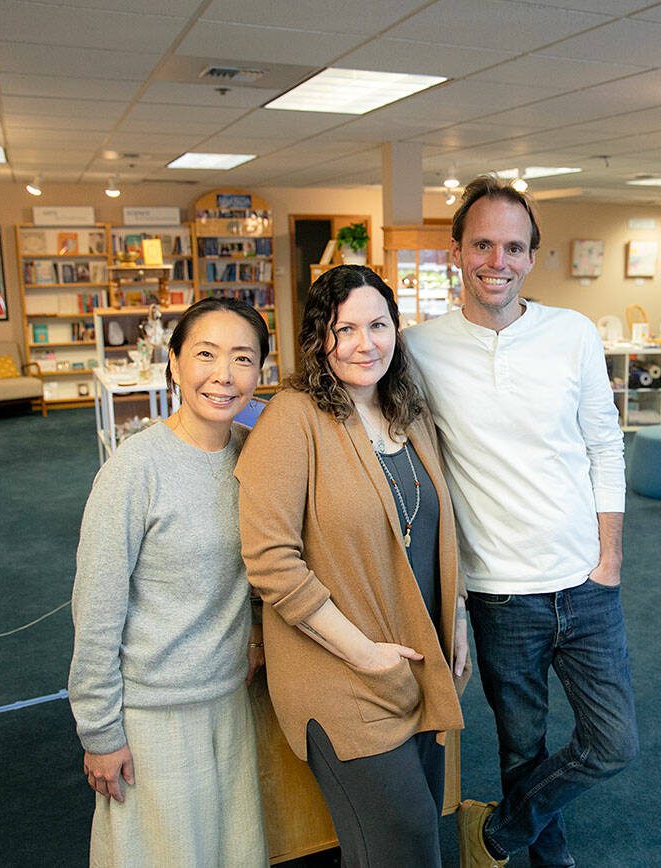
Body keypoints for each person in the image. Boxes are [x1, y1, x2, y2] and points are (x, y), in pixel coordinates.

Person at [406, 176, 639, 868]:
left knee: (614, 742)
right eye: (482, 244)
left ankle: (499, 836)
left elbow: (605, 445)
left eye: (513, 246)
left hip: (587, 585)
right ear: (457, 251)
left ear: (532, 256)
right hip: (501, 596)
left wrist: (610, 561)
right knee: (521, 749)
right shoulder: (420, 349)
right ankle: (547, 861)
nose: (496, 261)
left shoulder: (572, 333)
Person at [235, 264, 469, 868]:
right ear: (320, 338)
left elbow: (440, 527)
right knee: (407, 838)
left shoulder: (408, 410)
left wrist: (458, 614)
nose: (366, 343)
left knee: (402, 839)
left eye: (379, 324)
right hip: (340, 673)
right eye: (345, 329)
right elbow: (270, 563)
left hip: (418, 661)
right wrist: (365, 653)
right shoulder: (292, 417)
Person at [68, 297, 269, 866]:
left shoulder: (253, 458)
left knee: (234, 852)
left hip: (229, 700)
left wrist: (254, 635)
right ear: (174, 363)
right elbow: (96, 611)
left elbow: (260, 569)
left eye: (243, 359)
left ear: (260, 373)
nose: (223, 376)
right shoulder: (134, 471)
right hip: (155, 712)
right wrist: (100, 733)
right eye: (205, 354)